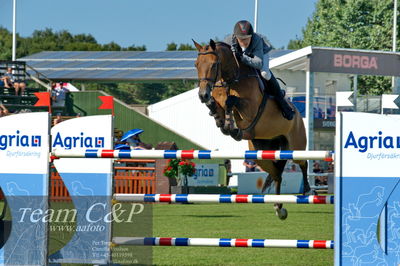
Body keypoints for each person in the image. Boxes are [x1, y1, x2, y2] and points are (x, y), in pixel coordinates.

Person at [225, 20, 294, 120]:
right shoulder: (228, 41)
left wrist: (243, 58)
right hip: (245, 56)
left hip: (260, 55)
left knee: (265, 73)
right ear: (236, 37)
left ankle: (283, 102)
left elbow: (258, 63)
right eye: (242, 39)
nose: (245, 42)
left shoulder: (257, 40)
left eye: (247, 39)